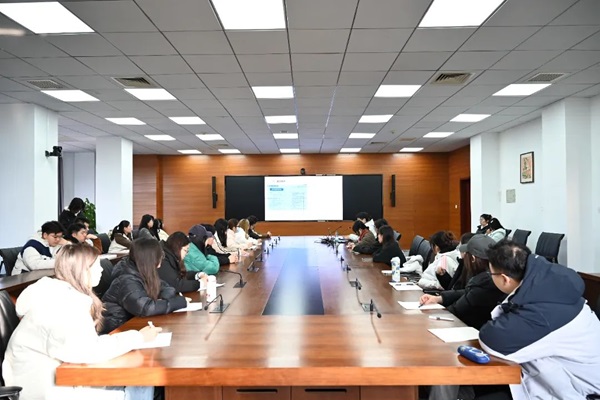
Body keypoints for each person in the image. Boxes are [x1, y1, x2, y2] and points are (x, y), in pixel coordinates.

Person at [3, 242, 160, 400]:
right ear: (82, 270)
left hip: (57, 378)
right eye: (96, 266)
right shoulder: (61, 304)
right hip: (44, 390)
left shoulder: (57, 294)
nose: (101, 270)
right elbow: (89, 351)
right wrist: (138, 337)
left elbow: (83, 345)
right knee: (141, 383)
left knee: (138, 380)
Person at [479, 240, 600, 400]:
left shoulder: (543, 314)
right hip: (568, 376)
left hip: (582, 392)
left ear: (504, 279)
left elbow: (492, 340)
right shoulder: (551, 287)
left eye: (491, 274)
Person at [419, 235, 507, 329]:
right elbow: (467, 292)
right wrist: (439, 298)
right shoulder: (489, 277)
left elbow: (456, 310)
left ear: (473, 258)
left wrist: (429, 313)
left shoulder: (483, 283)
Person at [102, 238, 187, 334]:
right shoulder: (126, 279)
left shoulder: (142, 270)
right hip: (116, 328)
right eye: (160, 256)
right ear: (150, 259)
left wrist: (162, 300)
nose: (161, 261)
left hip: (133, 322)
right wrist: (178, 302)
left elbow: (167, 287)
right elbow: (145, 308)